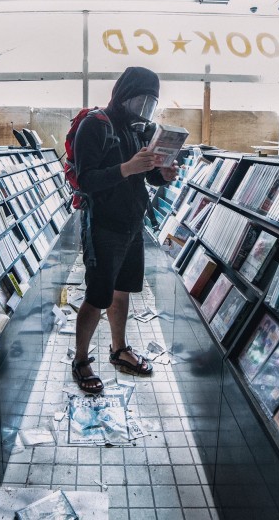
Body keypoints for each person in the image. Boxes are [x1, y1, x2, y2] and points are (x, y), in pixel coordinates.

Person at [71, 67, 179, 394]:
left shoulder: (140, 130)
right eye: (140, 99)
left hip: (133, 222)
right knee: (98, 294)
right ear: (123, 93)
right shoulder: (95, 125)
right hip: (103, 224)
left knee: (123, 289)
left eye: (151, 103)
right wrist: (127, 167)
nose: (145, 108)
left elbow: (146, 177)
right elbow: (86, 179)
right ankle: (80, 360)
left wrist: (164, 174)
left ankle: (119, 349)